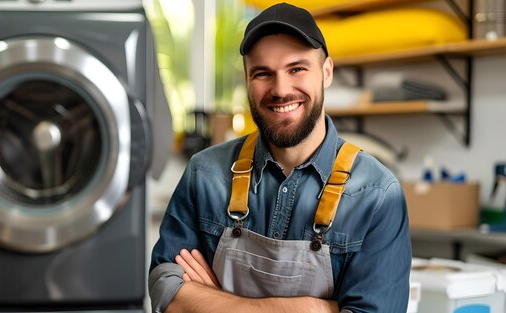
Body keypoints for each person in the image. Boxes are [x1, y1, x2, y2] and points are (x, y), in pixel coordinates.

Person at [148, 2, 411, 313]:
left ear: (326, 72)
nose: (281, 89)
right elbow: (166, 289)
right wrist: (314, 308)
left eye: (296, 68)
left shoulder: (377, 195)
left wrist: (214, 301)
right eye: (263, 73)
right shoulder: (204, 175)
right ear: (246, 79)